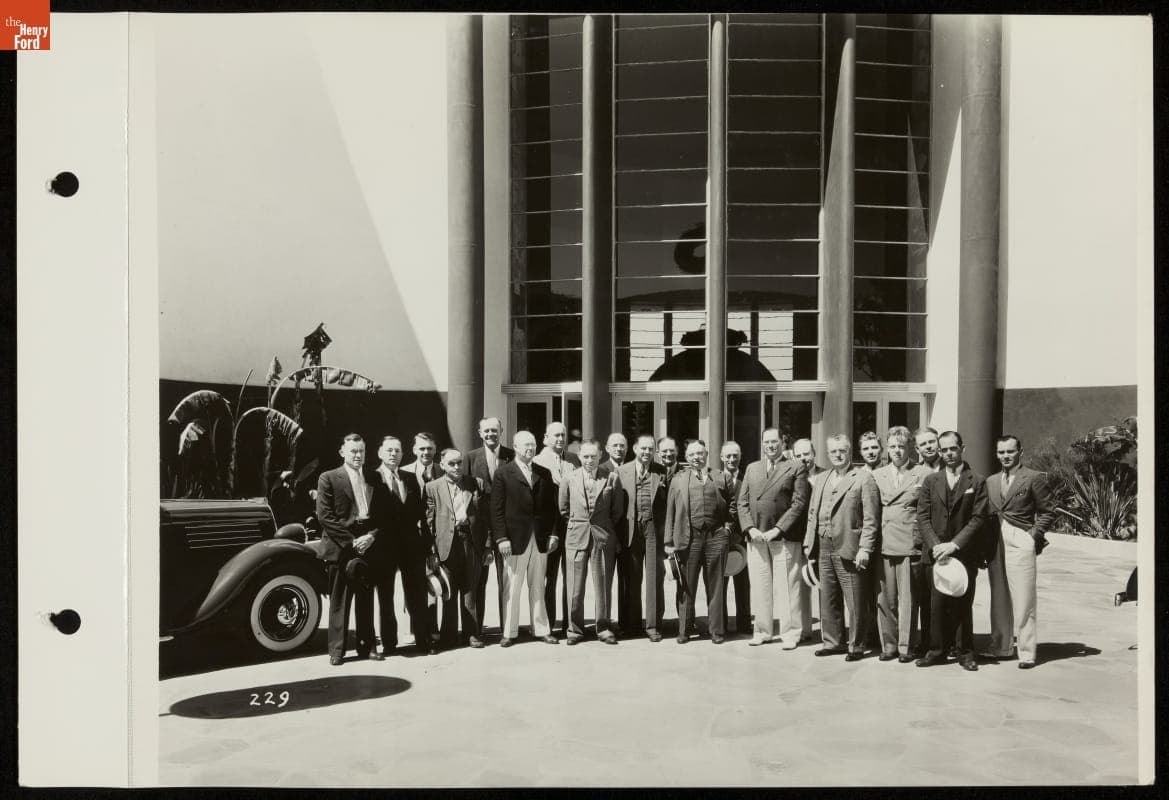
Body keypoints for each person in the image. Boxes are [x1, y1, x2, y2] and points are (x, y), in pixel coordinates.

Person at [915, 431, 990, 671]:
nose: (948, 454)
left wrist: (954, 544)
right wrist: (937, 545)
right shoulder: (931, 480)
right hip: (935, 552)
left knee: (962, 603)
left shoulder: (976, 481)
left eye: (952, 449)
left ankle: (965, 652)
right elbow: (922, 516)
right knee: (935, 605)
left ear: (962, 448)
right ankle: (936, 650)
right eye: (943, 449)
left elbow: (979, 518)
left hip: (963, 552)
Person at [802, 434, 879, 661]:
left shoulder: (863, 478)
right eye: (833, 451)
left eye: (842, 451)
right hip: (823, 545)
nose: (837, 455)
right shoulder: (822, 478)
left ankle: (856, 645)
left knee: (854, 599)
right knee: (828, 597)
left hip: (850, 546)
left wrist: (865, 548)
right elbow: (812, 513)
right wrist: (809, 543)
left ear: (849, 452)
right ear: (827, 453)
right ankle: (833, 641)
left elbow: (871, 519)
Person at [984, 435, 1056, 669]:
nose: (1005, 456)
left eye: (1010, 452)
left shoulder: (1033, 477)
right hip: (995, 541)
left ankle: (1026, 652)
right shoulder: (991, 481)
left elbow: (1048, 510)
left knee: (1024, 599)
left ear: (1020, 452)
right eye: (1001, 452)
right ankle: (1001, 647)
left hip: (1020, 539)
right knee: (999, 597)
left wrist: (1033, 535)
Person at [737, 427, 810, 648]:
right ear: (762, 444)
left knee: (788, 587)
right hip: (757, 537)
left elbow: (799, 503)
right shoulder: (752, 468)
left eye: (775, 442)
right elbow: (742, 502)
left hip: (784, 537)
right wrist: (750, 529)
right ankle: (762, 630)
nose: (770, 446)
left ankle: (790, 634)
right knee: (760, 586)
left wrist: (777, 529)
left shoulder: (796, 466)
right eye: (766, 442)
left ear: (783, 443)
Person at [664, 440, 738, 644]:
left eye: (700, 453)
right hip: (689, 539)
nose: (697, 457)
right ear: (686, 458)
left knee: (715, 586)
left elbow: (733, 504)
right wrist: (669, 541)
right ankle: (684, 630)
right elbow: (670, 512)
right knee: (686, 586)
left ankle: (717, 631)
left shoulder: (721, 477)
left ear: (707, 454)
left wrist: (728, 528)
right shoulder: (678, 479)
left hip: (715, 537)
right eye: (692, 454)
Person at [315, 434, 380, 665]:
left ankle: (367, 647)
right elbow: (325, 517)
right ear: (342, 452)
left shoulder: (374, 478)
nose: (358, 455)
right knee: (340, 600)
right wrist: (353, 541)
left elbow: (381, 514)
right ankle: (337, 651)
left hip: (367, 544)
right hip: (340, 546)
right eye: (353, 451)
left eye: (361, 451)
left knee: (365, 598)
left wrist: (371, 537)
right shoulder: (329, 478)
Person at [491, 430, 560, 647]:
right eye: (524, 445)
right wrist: (502, 538)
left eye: (532, 444)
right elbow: (496, 509)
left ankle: (541, 629)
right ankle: (509, 632)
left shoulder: (544, 473)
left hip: (539, 538)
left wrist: (553, 534)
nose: (529, 449)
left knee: (538, 584)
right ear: (515, 447)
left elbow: (553, 508)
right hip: (514, 539)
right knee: (512, 586)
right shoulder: (503, 473)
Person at [370, 435, 435, 657]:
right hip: (384, 547)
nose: (393, 454)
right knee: (386, 596)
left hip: (411, 546)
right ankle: (389, 643)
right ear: (380, 453)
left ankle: (423, 640)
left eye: (397, 450)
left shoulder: (409, 477)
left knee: (417, 594)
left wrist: (427, 548)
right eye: (389, 450)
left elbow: (420, 514)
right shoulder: (371, 477)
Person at [872, 426, 932, 662]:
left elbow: (926, 511)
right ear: (887, 448)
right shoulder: (877, 475)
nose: (897, 451)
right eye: (893, 446)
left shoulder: (923, 473)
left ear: (910, 448)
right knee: (884, 598)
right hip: (884, 542)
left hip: (909, 542)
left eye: (901, 446)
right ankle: (888, 644)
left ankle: (906, 646)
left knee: (907, 599)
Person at [559, 440, 624, 645]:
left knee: (603, 585)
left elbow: (617, 511)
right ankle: (574, 629)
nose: (589, 460)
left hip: (603, 537)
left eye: (593, 456)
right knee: (575, 587)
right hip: (576, 536)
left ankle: (603, 627)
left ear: (600, 457)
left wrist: (603, 527)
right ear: (579, 457)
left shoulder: (612, 478)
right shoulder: (569, 478)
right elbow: (563, 508)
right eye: (585, 456)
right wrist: (578, 524)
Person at [425, 448, 488, 650]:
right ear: (442, 465)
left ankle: (472, 633)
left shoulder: (475, 483)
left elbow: (486, 518)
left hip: (471, 542)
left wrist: (487, 546)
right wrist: (431, 551)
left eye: (459, 462)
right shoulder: (432, 487)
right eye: (451, 463)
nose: (456, 467)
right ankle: (449, 636)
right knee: (448, 591)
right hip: (446, 545)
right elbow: (428, 523)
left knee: (471, 590)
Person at [615, 434, 668, 642]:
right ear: (635, 448)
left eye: (650, 449)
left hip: (654, 529)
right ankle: (632, 625)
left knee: (654, 578)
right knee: (633, 577)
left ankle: (653, 625)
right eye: (643, 448)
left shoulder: (661, 471)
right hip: (631, 530)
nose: (647, 452)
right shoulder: (621, 471)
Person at [465, 416, 513, 635]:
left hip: (506, 529)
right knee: (478, 582)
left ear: (501, 431)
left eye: (494, 430)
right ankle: (475, 631)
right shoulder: (470, 458)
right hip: (480, 530)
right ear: (479, 432)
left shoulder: (511, 456)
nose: (491, 434)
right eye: (487, 431)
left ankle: (507, 629)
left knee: (506, 581)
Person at [533, 421, 579, 637]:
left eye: (563, 435)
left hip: (571, 529)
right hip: (548, 530)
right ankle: (547, 624)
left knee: (571, 578)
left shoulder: (571, 461)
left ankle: (570, 624)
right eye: (556, 435)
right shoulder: (536, 462)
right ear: (545, 438)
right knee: (549, 579)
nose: (560, 439)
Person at [720, 441, 751, 636]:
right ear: (722, 457)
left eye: (735, 456)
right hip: (720, 538)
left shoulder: (748, 479)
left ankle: (744, 624)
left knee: (743, 584)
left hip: (742, 539)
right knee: (719, 585)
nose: (732, 459)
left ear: (740, 457)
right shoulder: (715, 479)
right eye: (728, 456)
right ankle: (720, 624)